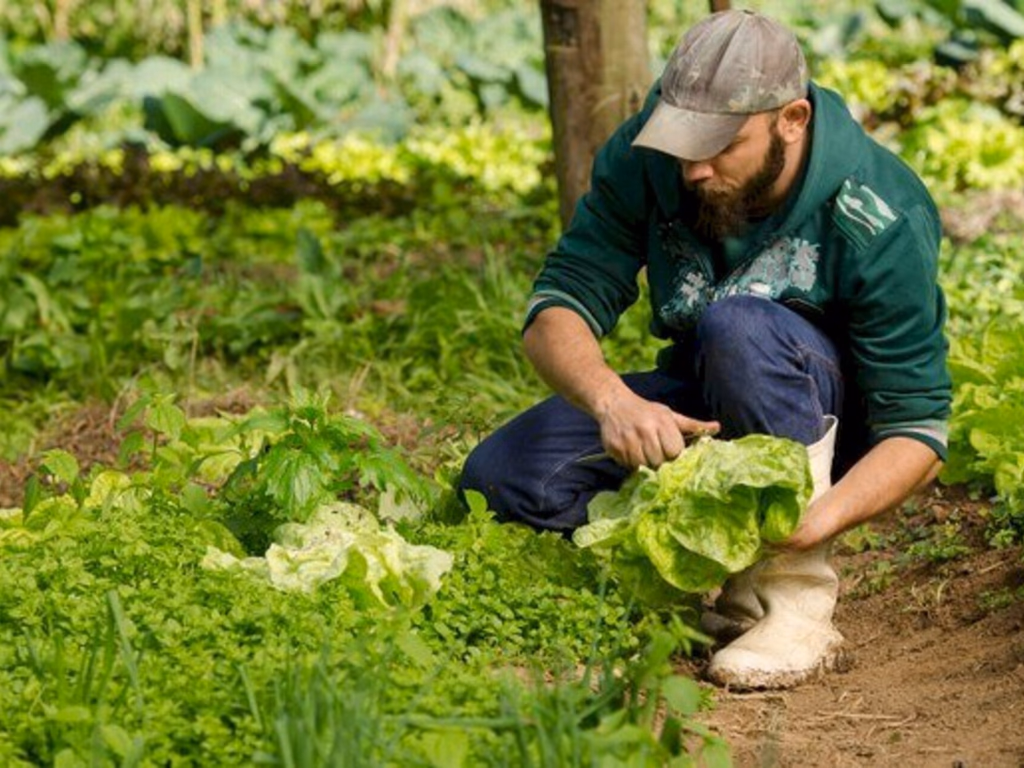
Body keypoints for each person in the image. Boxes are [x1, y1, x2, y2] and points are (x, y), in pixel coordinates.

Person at [459, 9, 951, 689]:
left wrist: (815, 521)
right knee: (503, 476)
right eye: (684, 141)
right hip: (708, 391)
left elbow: (918, 432)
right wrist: (613, 402)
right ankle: (692, 591)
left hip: (829, 429)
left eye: (722, 145)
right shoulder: (648, 159)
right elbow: (558, 306)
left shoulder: (878, 210)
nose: (694, 168)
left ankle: (793, 603)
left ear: (793, 120)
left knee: (738, 326)